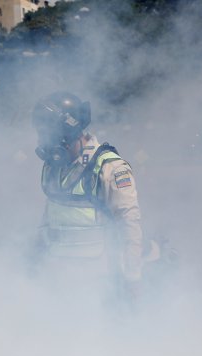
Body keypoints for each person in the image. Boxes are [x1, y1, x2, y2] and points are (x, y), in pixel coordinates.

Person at [30, 91, 143, 296]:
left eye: (49, 133)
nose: (44, 141)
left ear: (69, 130)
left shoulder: (110, 167)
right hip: (57, 277)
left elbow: (129, 224)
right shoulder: (54, 167)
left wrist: (132, 279)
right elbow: (50, 216)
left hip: (98, 282)